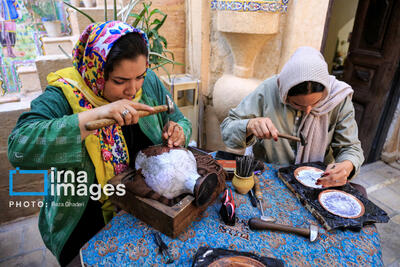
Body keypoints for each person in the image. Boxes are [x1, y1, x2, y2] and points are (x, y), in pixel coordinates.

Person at [8, 21, 191, 266]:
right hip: (84, 218)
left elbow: (178, 119)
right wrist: (97, 114)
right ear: (96, 70)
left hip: (143, 209)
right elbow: (19, 148)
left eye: (139, 76)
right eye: (119, 81)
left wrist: (179, 131)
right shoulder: (64, 95)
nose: (133, 89)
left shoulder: (148, 84)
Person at [221, 46, 364, 188]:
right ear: (285, 94)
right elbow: (227, 129)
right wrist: (249, 126)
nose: (308, 111)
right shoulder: (269, 90)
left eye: (315, 103)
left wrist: (346, 165)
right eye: (297, 105)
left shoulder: (338, 99)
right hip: (268, 178)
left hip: (315, 182)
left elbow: (350, 147)